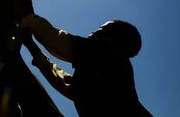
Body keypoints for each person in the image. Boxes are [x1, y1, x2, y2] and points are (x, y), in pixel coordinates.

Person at [20, 14, 153, 117]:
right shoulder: (96, 80)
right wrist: (31, 45)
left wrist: (28, 19)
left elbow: (60, 43)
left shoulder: (110, 53)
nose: (93, 33)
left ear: (115, 40)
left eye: (101, 30)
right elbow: (60, 79)